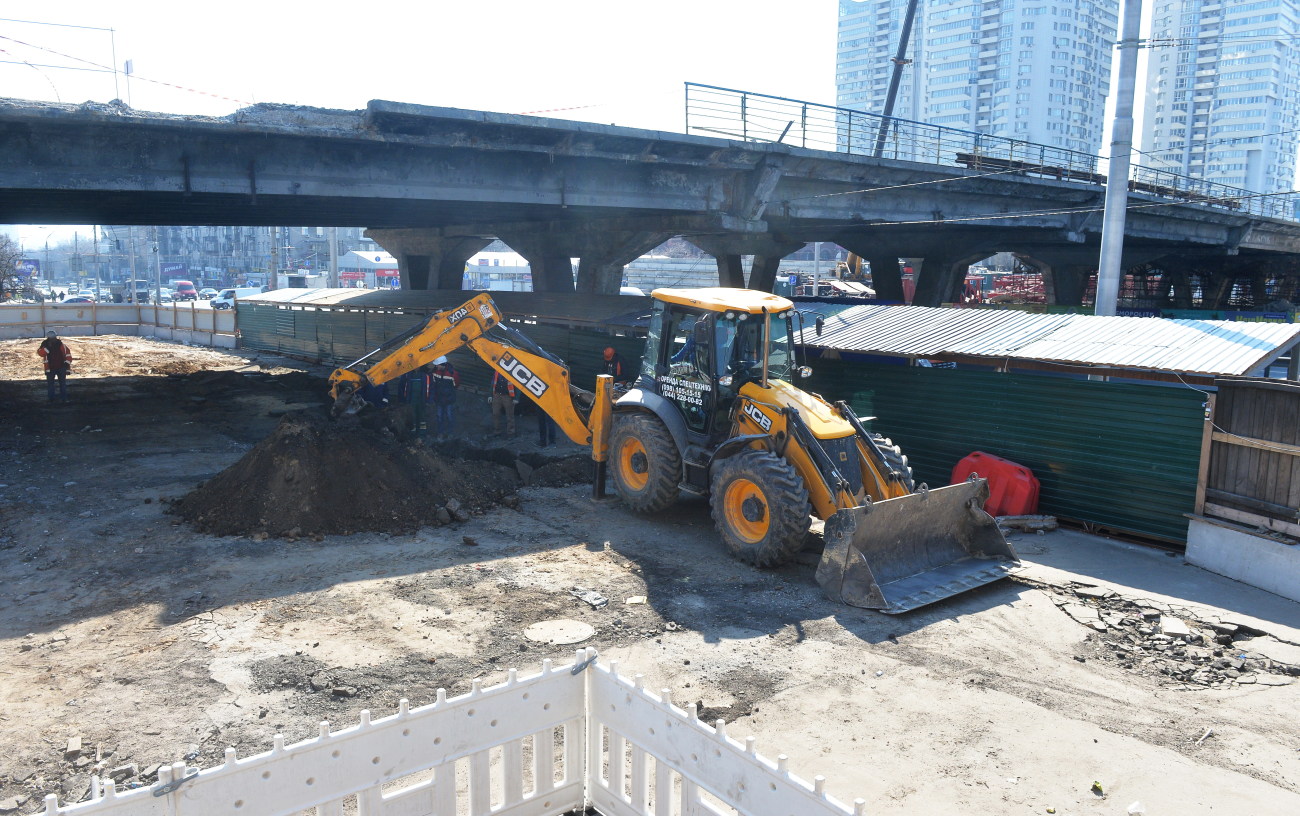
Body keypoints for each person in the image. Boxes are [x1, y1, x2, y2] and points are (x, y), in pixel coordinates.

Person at [38, 330, 73, 403]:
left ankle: (61, 399)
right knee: (56, 384)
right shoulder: (45, 345)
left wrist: (66, 365)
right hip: (52, 368)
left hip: (59, 368)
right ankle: (54, 399)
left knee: (58, 384)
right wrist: (45, 348)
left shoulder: (61, 345)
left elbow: (68, 356)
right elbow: (41, 353)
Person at [398, 366, 432, 441]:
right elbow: (401, 386)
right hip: (411, 400)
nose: (416, 367)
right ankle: (412, 434)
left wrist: (428, 400)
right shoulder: (407, 375)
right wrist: (402, 400)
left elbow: (430, 389)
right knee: (411, 416)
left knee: (421, 417)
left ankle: (421, 435)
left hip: (421, 400)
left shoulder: (425, 376)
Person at [430, 356, 459, 440]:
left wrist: (449, 394)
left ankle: (450, 433)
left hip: (448, 399)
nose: (436, 366)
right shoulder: (435, 372)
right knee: (439, 416)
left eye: (437, 365)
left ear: (442, 364)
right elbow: (433, 384)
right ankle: (440, 432)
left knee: (449, 416)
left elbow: (456, 385)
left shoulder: (453, 373)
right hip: (439, 399)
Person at [490, 369, 517, 437]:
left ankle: (511, 433)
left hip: (508, 396)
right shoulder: (496, 371)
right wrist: (490, 395)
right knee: (495, 413)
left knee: (509, 415)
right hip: (497, 395)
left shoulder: (513, 372)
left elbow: (518, 386)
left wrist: (516, 398)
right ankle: (497, 431)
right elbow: (492, 383)